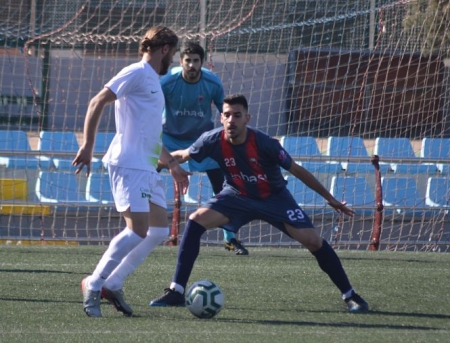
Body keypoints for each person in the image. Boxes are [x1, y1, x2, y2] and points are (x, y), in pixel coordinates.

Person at [148, 94, 369, 313]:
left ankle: (350, 295)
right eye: (227, 115)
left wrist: (329, 198)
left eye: (237, 115)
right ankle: (176, 291)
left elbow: (297, 170)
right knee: (195, 220)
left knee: (312, 241)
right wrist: (159, 164)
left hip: (274, 198)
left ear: (247, 118)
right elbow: (183, 155)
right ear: (221, 118)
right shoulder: (211, 140)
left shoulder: (265, 144)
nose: (231, 120)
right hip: (236, 196)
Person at [72, 26, 190, 318]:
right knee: (137, 229)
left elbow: (150, 135)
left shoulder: (152, 80)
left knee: (159, 229)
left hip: (147, 165)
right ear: (164, 50)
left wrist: (172, 164)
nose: (173, 60)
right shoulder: (136, 72)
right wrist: (87, 145)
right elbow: (97, 101)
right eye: (173, 54)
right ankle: (94, 284)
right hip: (128, 164)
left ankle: (114, 282)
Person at [160, 41, 248, 255]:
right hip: (170, 140)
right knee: (146, 173)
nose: (191, 65)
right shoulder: (167, 82)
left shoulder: (212, 83)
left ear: (202, 62)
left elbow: (226, 114)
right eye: (187, 61)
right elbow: (152, 112)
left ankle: (230, 238)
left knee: (223, 188)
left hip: (202, 142)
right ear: (181, 62)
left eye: (196, 61)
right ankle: (139, 230)